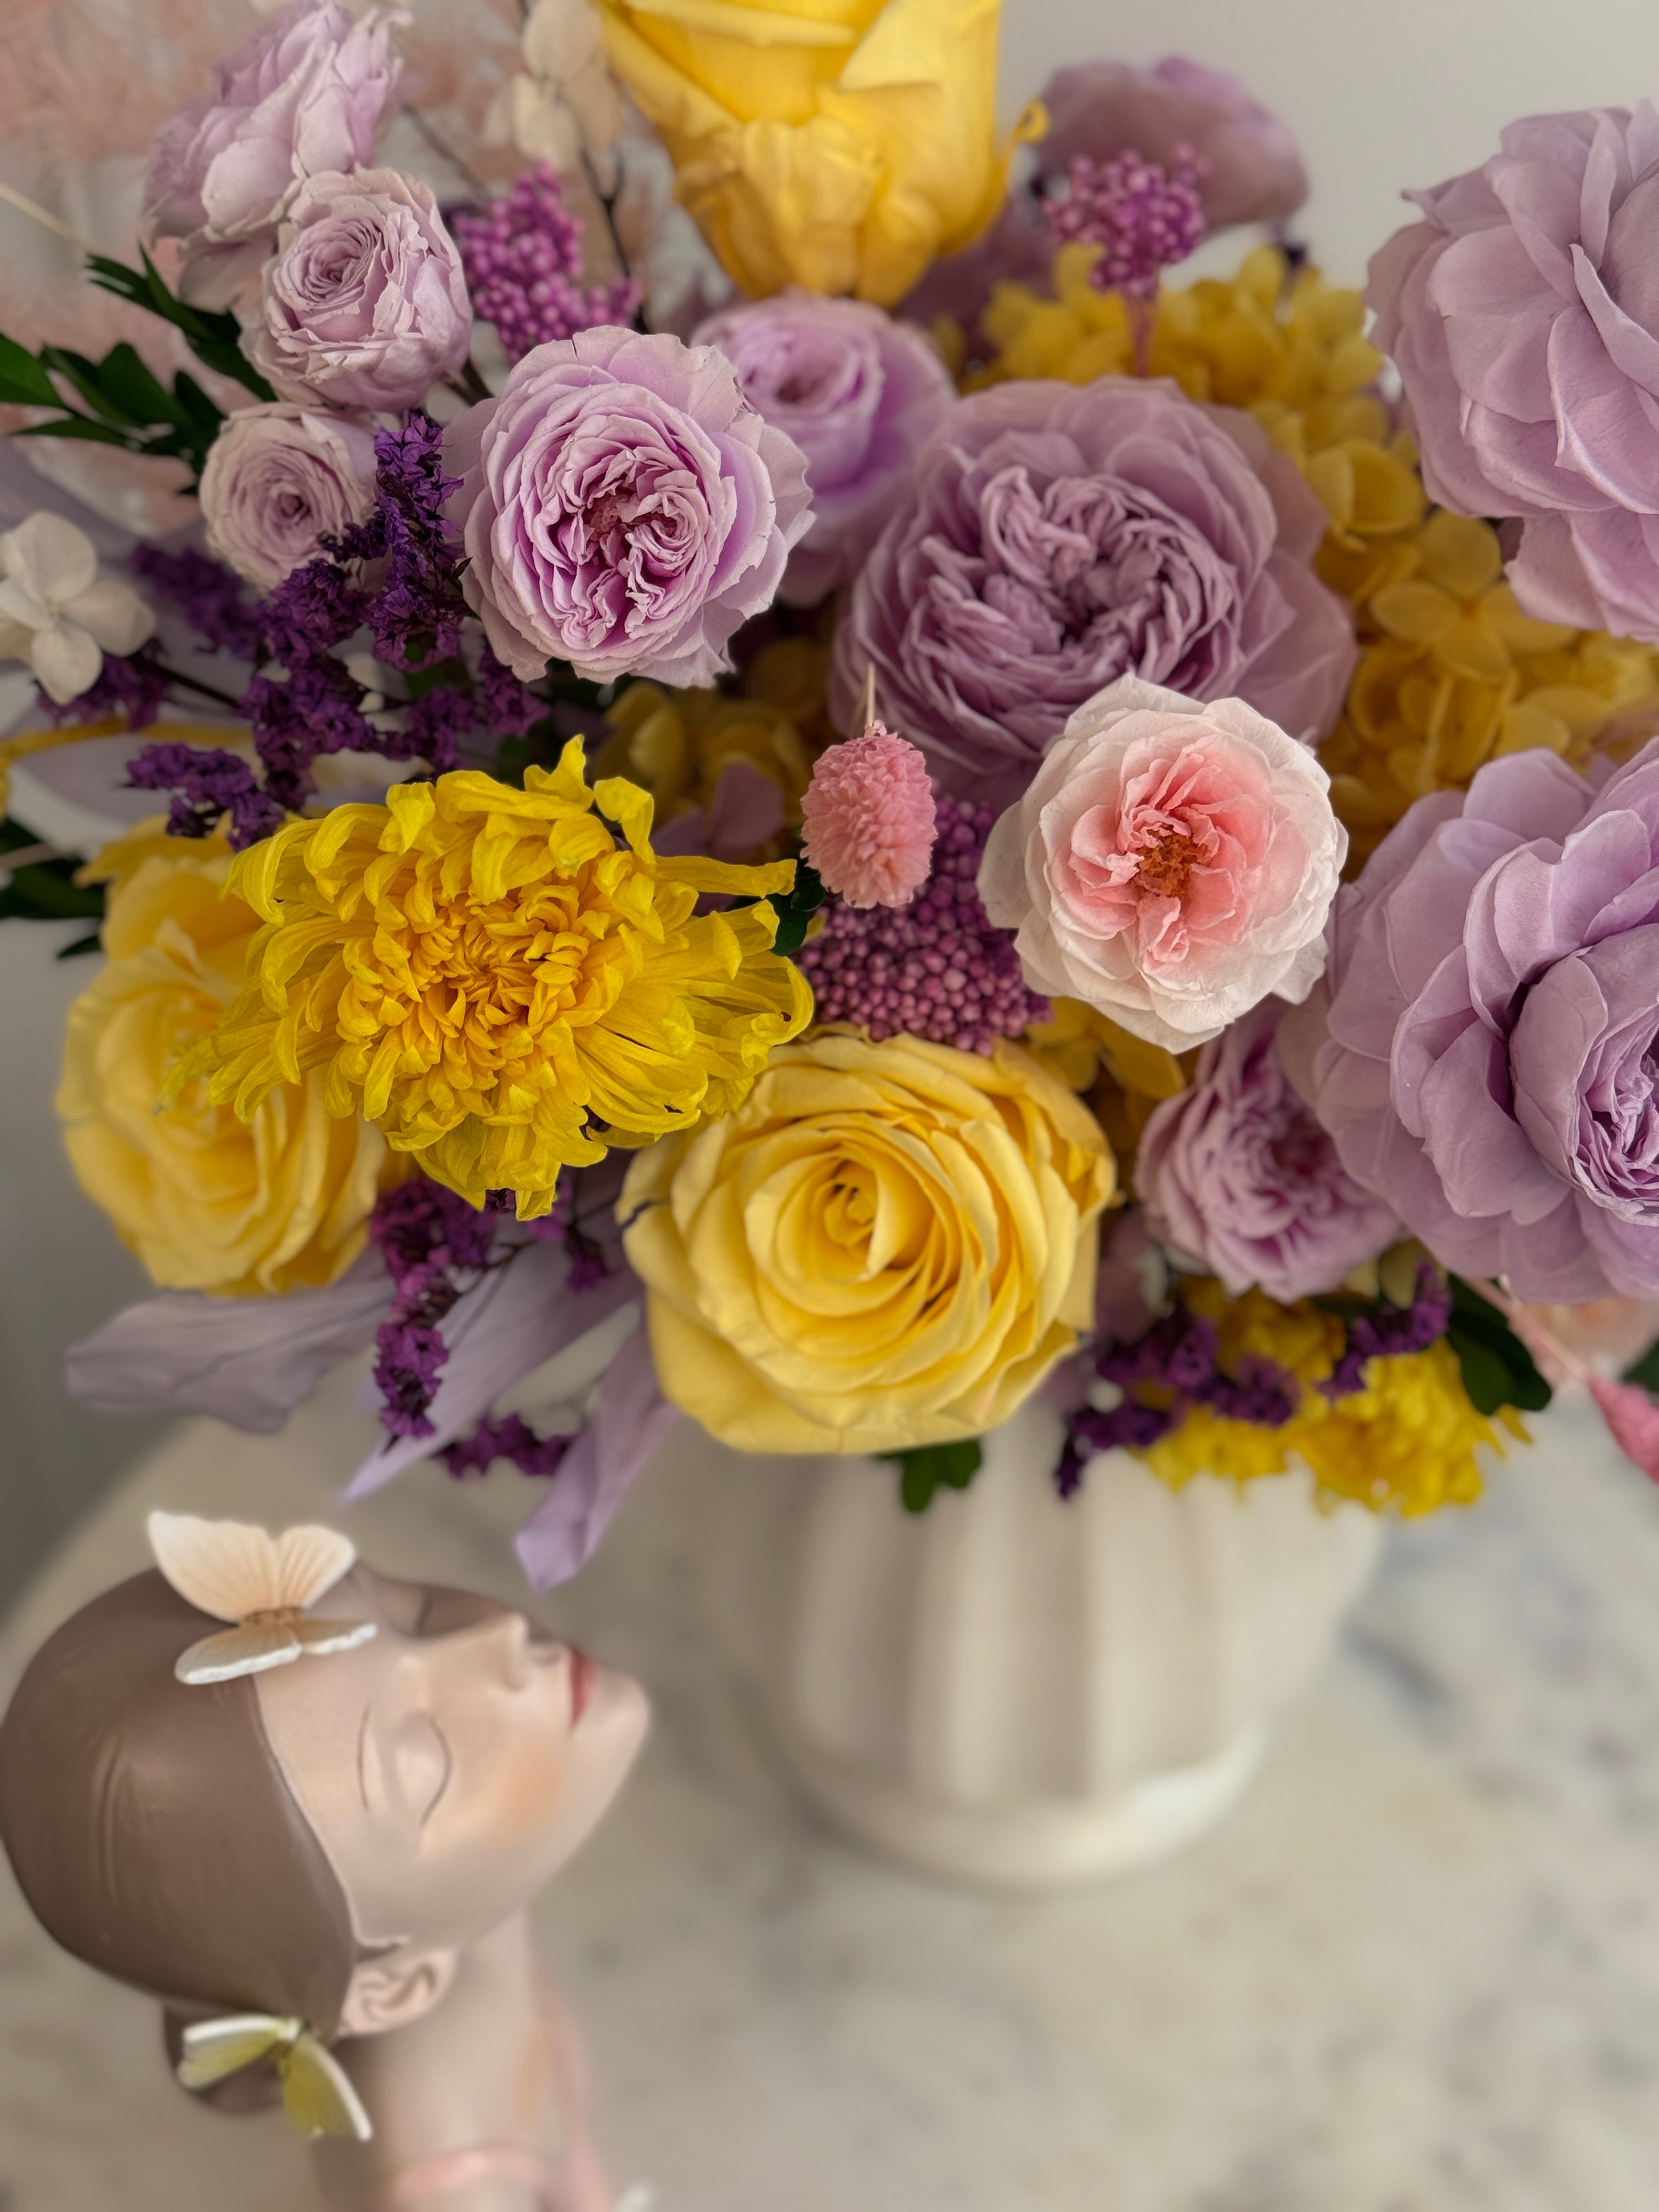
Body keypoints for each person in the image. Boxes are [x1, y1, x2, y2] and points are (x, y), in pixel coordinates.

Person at [0, 1513, 650, 2211]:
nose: (498, 1640)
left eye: (414, 1613)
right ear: (391, 1990)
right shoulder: (447, 2193)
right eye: (429, 1762)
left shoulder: (463, 1908)